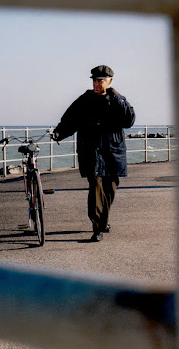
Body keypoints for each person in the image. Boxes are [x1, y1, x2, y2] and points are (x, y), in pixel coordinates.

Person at [50, 65, 136, 242]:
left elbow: (129, 120)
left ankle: (103, 222)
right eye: (94, 80)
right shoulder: (85, 100)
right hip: (91, 150)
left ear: (110, 81)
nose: (96, 83)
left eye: (100, 80)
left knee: (110, 189)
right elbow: (70, 119)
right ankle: (97, 228)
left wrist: (118, 98)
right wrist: (59, 133)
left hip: (113, 151)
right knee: (95, 188)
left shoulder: (118, 100)